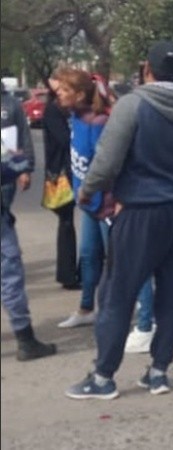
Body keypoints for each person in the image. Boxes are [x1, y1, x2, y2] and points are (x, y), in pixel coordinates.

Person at [65, 41, 173, 399]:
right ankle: (159, 372)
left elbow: (107, 160)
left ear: (146, 70)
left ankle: (103, 377)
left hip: (140, 210)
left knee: (117, 292)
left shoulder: (133, 104)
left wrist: (87, 193)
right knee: (169, 293)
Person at [54, 68, 154, 330]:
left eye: (64, 90)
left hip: (106, 204)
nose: (58, 94)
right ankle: (87, 308)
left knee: (124, 259)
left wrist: (116, 198)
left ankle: (147, 316)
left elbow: (112, 162)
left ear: (78, 94)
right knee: (88, 255)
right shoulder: (75, 117)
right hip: (88, 202)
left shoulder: (99, 123)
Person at [1, 83, 57, 362]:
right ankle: (25, 338)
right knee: (9, 270)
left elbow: (20, 138)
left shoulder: (10, 104)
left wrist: (24, 168)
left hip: (4, 194)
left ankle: (25, 338)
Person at [41, 78, 80, 289]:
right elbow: (64, 140)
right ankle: (67, 274)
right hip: (60, 175)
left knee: (69, 224)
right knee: (66, 223)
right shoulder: (53, 111)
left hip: (67, 172)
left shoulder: (69, 111)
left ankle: (74, 272)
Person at [0, 82, 34, 215]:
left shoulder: (12, 103)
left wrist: (25, 169)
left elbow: (24, 135)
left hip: (6, 175)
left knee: (4, 219)